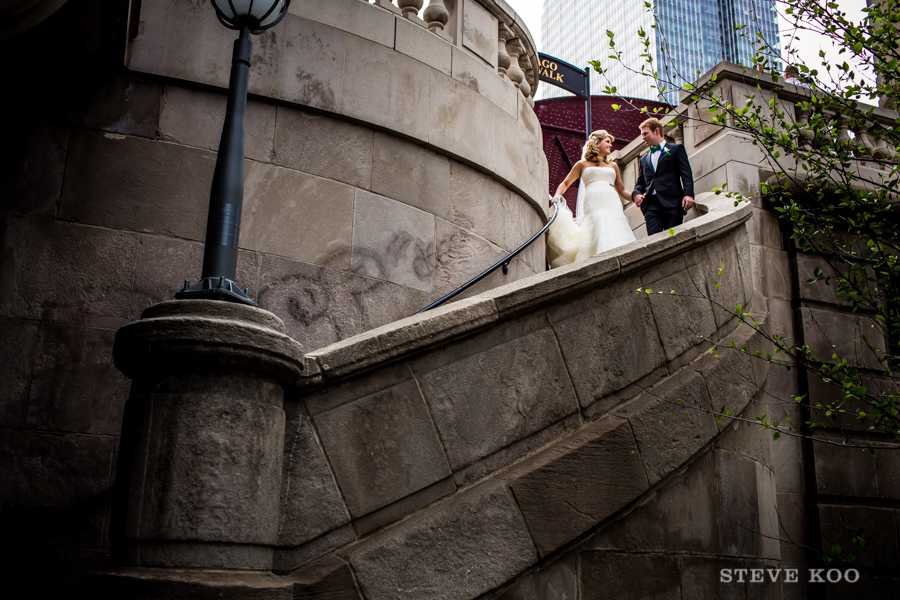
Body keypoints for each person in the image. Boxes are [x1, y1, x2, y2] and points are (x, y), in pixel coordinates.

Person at [546, 130, 637, 268]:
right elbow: (565, 183)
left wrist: (635, 198)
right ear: (597, 143)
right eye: (607, 142)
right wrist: (558, 195)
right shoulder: (582, 164)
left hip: (611, 200)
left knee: (615, 222)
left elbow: (621, 190)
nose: (610, 145)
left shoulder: (613, 166)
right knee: (597, 222)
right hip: (593, 201)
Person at [632, 118, 694, 236]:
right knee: (653, 242)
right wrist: (636, 194)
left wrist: (688, 194)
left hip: (672, 202)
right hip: (651, 206)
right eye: (642, 135)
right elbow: (640, 184)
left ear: (656, 131)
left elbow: (686, 174)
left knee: (673, 239)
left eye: (645, 134)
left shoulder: (675, 149)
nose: (643, 137)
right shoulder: (644, 159)